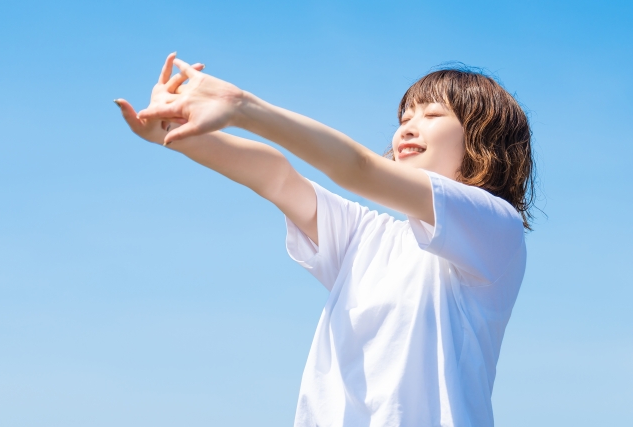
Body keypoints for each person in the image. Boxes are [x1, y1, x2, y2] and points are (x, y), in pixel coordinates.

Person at [116, 52, 535, 427]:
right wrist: (178, 132)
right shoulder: (369, 237)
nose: (408, 126)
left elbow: (360, 169)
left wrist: (243, 108)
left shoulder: (495, 228)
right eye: (404, 117)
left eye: (431, 115)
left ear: (483, 138)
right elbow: (275, 176)